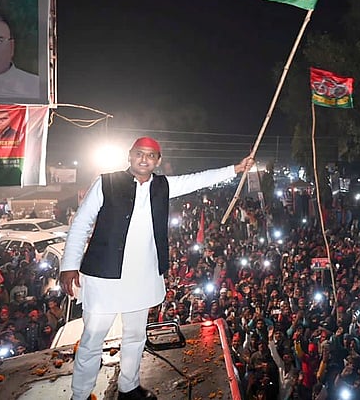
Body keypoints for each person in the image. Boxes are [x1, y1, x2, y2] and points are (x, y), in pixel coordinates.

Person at [59, 137, 254, 400]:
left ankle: (129, 388)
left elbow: (197, 180)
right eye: (140, 153)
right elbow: (81, 223)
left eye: (151, 155)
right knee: (92, 339)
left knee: (136, 336)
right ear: (130, 155)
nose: (144, 159)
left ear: (158, 161)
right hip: (104, 276)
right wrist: (70, 265)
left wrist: (236, 169)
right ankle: (80, 395)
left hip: (142, 276)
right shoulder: (106, 183)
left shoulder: (163, 185)